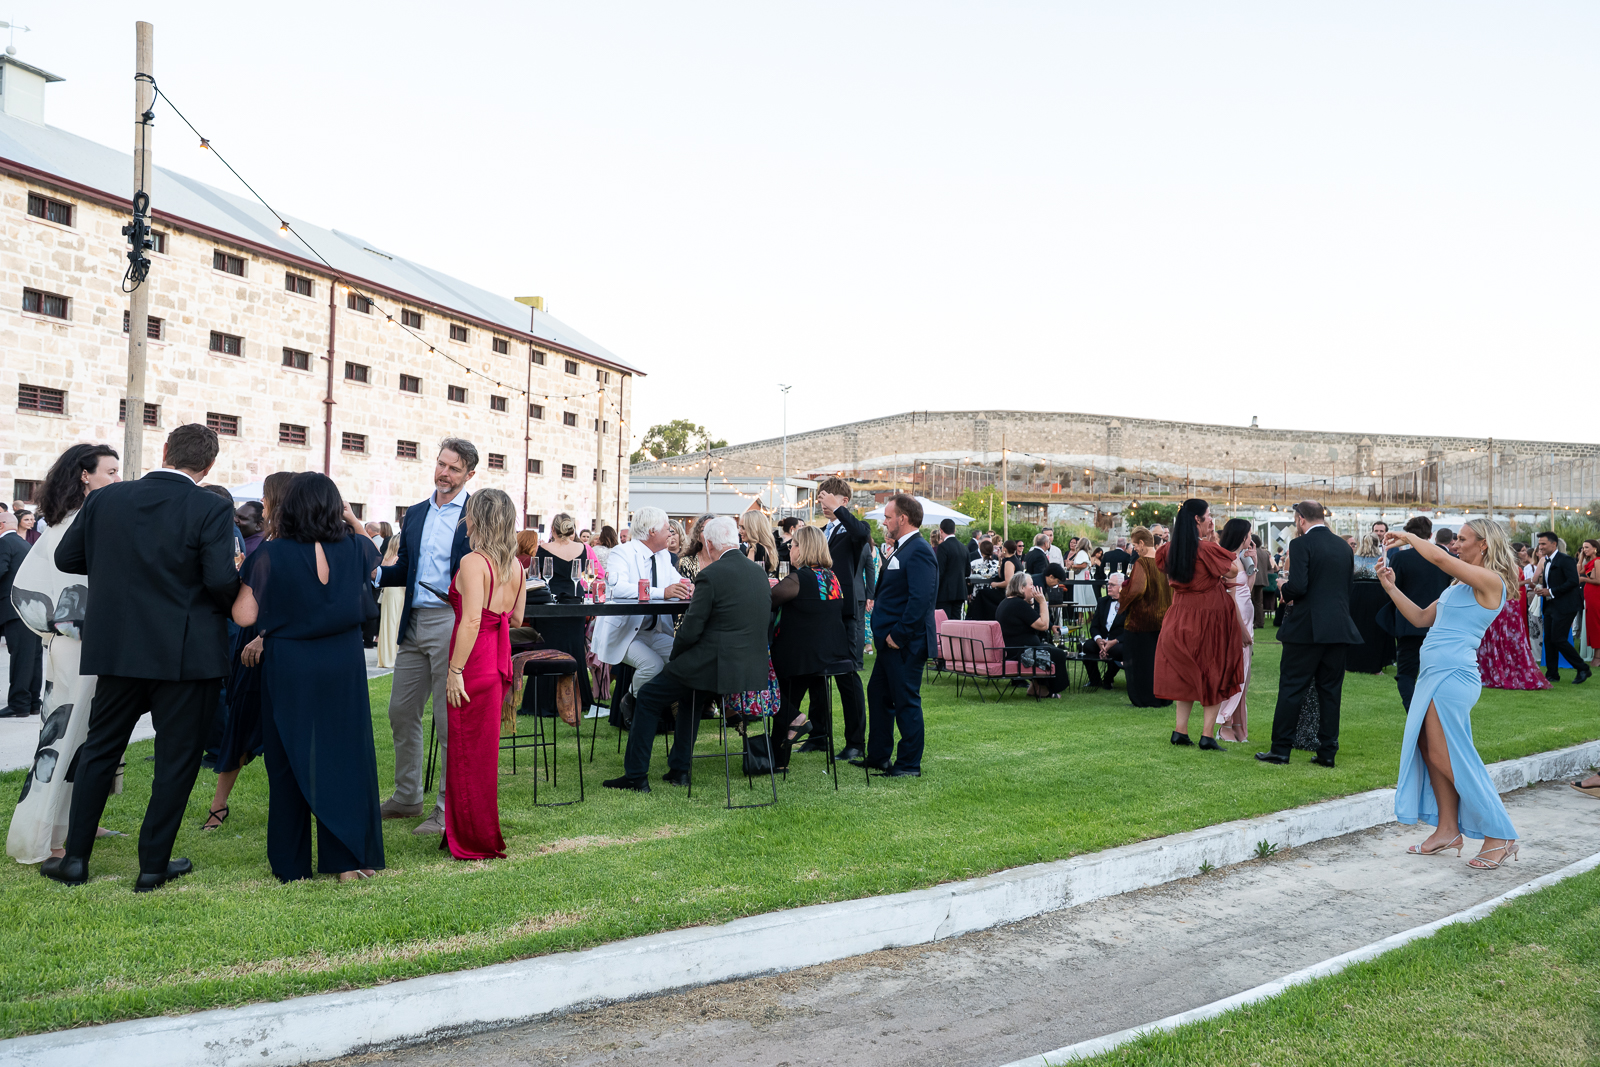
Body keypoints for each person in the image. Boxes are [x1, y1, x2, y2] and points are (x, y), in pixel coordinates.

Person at [44, 424, 240, 890]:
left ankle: (75, 859)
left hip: (119, 645)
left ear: (165, 450)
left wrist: (115, 565)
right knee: (177, 759)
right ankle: (152, 866)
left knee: (100, 749)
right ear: (209, 465)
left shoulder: (106, 499)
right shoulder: (211, 506)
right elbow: (218, 579)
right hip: (186, 651)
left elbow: (67, 558)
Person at [232, 473, 384, 882]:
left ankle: (291, 864)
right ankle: (347, 861)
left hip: (292, 663)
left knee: (287, 757)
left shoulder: (271, 553)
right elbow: (377, 558)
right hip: (343, 662)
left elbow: (243, 615)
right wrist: (353, 520)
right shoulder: (355, 547)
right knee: (345, 755)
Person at [1376, 520, 1522, 868]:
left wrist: (1410, 537)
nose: (1455, 543)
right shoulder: (1458, 586)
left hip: (1453, 676)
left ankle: (1500, 833)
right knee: (1429, 751)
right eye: (1455, 538)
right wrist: (1390, 587)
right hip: (1432, 676)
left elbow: (1441, 559)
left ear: (1483, 544)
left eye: (1462, 538)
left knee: (1448, 756)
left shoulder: (1491, 582)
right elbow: (1420, 618)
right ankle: (1447, 830)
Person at [6, 443, 120, 863]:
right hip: (75, 649)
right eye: (110, 471)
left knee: (88, 738)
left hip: (91, 646)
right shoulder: (68, 525)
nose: (118, 478)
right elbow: (28, 593)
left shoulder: (85, 519)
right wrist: (60, 630)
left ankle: (76, 823)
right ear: (84, 476)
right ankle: (44, 840)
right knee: (63, 740)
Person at [603, 516, 770, 791]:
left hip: (711, 666)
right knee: (690, 697)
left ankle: (636, 775)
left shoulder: (711, 575)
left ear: (709, 543)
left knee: (648, 696)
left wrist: (677, 656)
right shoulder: (758, 573)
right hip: (749, 668)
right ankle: (679, 770)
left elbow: (690, 631)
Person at [375, 438, 477, 834]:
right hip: (414, 621)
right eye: (441, 464)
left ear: (469, 474)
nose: (444, 473)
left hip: (453, 621)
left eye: (454, 468)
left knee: (448, 721)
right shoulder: (415, 513)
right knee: (400, 711)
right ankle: (407, 797)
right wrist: (376, 574)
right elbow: (405, 567)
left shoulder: (475, 514)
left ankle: (446, 809)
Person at [437, 490, 526, 860]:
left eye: (469, 514)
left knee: (464, 752)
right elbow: (516, 619)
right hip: (496, 664)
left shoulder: (474, 561)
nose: (465, 520)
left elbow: (472, 620)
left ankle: (471, 839)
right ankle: (473, 832)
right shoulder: (517, 566)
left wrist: (454, 670)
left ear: (477, 519)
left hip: (472, 664)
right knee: (482, 756)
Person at [1257, 501, 1363, 768]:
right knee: (1330, 692)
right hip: (1338, 627)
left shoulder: (1300, 544)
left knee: (1292, 688)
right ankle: (1327, 752)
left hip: (1306, 628)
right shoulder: (1343, 546)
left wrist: (1284, 586)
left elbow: (1300, 586)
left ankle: (1281, 749)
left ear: (1300, 519)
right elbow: (1347, 586)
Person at [855, 494, 936, 777]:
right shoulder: (902, 548)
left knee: (905, 700)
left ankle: (909, 764)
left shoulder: (919, 550)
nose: (884, 522)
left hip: (905, 642)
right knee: (878, 693)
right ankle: (879, 756)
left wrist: (899, 635)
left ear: (903, 518)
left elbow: (921, 599)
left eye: (888, 517)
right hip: (890, 642)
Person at [1154, 499, 1243, 750]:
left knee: (1186, 674)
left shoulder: (1169, 550)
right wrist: (1213, 544)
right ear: (1197, 519)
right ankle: (1207, 735)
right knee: (1213, 672)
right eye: (1209, 515)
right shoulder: (1207, 549)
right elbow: (1233, 570)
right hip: (1207, 618)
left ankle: (1180, 731)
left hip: (1178, 616)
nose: (1211, 519)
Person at [592, 508, 690, 721]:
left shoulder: (663, 555)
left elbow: (677, 583)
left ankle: (645, 702)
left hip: (653, 631)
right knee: (652, 665)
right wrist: (662, 593)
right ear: (652, 531)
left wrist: (688, 588)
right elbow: (617, 589)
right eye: (667, 529)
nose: (670, 533)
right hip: (624, 633)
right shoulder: (622, 552)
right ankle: (633, 701)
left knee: (685, 658)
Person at [770, 526, 854, 761]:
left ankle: (780, 754)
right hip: (831, 652)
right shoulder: (831, 576)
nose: (790, 549)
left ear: (802, 548)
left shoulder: (799, 578)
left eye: (793, 545)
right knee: (789, 689)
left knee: (762, 676)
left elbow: (767, 601)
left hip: (803, 657)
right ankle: (778, 754)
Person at [816, 478, 872, 761]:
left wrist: (838, 510)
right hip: (822, 610)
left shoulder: (852, 530)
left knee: (847, 677)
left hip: (846, 612)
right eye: (820, 499)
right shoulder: (823, 531)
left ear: (843, 501)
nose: (822, 504)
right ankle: (819, 735)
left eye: (827, 498)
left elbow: (862, 532)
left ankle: (855, 742)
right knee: (816, 673)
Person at [1378, 515, 1454, 710]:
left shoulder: (1401, 558)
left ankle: (1414, 713)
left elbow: (1392, 590)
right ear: (1431, 534)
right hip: (1439, 622)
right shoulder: (1448, 559)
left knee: (1406, 674)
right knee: (1438, 674)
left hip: (1408, 623)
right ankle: (1429, 715)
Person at [1213, 519, 1256, 743]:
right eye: (1249, 534)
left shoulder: (1241, 558)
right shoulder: (1226, 559)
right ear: (1242, 536)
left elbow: (1246, 590)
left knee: (1244, 673)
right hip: (1233, 621)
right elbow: (1229, 596)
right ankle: (1225, 724)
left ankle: (1238, 726)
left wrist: (1253, 565)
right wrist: (1240, 629)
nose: (1251, 538)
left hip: (1246, 618)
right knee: (1234, 671)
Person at [1118, 527, 1171, 708]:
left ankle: (1145, 697)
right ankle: (1163, 696)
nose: (1135, 549)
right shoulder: (1164, 562)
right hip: (1163, 620)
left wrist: (1123, 593)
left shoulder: (1142, 563)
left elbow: (1137, 589)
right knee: (1160, 661)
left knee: (1142, 662)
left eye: (1135, 546)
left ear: (1141, 543)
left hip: (1142, 621)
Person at [996, 571, 1069, 698]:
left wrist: (1030, 602)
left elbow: (1029, 622)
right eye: (1031, 585)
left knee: (1050, 649)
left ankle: (1035, 687)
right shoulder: (1018, 604)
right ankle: (1046, 690)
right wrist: (1042, 602)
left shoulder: (1007, 602)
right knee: (1058, 654)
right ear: (1021, 587)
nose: (1034, 588)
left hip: (1012, 649)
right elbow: (1043, 625)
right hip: (1021, 651)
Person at [0, 510, 43, 718]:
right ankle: (33, 702)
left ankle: (19, 703)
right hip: (30, 608)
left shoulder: (4, 543)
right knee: (32, 656)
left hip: (14, 608)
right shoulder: (23, 544)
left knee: (21, 658)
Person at [1531, 530, 1588, 684]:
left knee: (1558, 639)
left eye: (1543, 544)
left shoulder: (1566, 560)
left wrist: (1550, 591)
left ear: (1554, 544)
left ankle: (1582, 668)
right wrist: (1542, 590)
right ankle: (1552, 674)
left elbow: (1573, 581)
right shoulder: (1546, 561)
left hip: (1566, 605)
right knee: (1549, 639)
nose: (1540, 547)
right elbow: (1551, 582)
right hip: (1550, 604)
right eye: (1539, 544)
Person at [1078, 572, 1126, 690]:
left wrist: (1113, 642)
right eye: (1108, 584)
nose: (1108, 587)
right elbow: (1094, 626)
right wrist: (1099, 641)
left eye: (1112, 585)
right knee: (1084, 646)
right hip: (1102, 640)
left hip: (1118, 642)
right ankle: (1095, 680)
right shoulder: (1102, 601)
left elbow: (1129, 630)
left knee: (1118, 650)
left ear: (1121, 587)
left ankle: (1108, 678)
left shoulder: (1129, 604)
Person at [376, 533, 406, 668]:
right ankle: (393, 657)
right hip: (397, 593)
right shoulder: (397, 560)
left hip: (387, 593)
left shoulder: (386, 559)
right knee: (395, 624)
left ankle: (385, 657)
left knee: (386, 624)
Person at [934, 518, 969, 621]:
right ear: (954, 530)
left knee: (943, 622)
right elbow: (967, 572)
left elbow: (940, 571)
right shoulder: (964, 547)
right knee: (955, 622)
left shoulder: (943, 547)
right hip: (960, 591)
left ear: (941, 531)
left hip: (945, 592)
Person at [738, 510, 779, 575]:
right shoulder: (766, 547)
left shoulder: (755, 548)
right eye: (740, 527)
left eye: (743, 527)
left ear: (754, 528)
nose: (740, 531)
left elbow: (746, 574)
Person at [1580, 538, 1600, 668]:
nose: (1584, 550)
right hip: (1590, 597)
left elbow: (1598, 580)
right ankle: (1596, 656)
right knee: (1592, 624)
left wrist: (1583, 580)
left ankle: (1598, 657)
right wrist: (1581, 558)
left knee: (1597, 624)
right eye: (1583, 547)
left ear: (1595, 548)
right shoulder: (1590, 562)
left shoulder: (1598, 561)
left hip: (1596, 596)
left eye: (1587, 547)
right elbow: (1577, 572)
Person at [1066, 537, 1096, 612]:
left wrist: (1073, 566)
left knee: (1080, 595)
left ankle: (1081, 616)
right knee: (1087, 595)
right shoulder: (1084, 553)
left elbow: (1084, 565)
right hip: (1084, 576)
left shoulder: (1081, 553)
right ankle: (1090, 615)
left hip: (1080, 577)